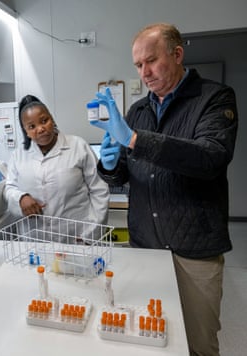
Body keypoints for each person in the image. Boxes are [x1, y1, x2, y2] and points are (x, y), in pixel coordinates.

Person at [88, 23, 238, 356]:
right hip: (146, 247)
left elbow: (210, 158)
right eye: (138, 65)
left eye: (152, 61)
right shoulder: (138, 111)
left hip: (194, 250)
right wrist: (110, 165)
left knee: (199, 343)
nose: (145, 72)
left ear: (177, 53)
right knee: (150, 338)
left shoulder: (214, 98)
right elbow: (122, 177)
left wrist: (135, 139)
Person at [4, 94, 109, 242]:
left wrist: (90, 235)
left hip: (77, 239)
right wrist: (20, 198)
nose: (40, 129)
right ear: (25, 131)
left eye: (44, 121)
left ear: (52, 119)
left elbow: (99, 190)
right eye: (32, 126)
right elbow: (9, 188)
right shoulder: (18, 156)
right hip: (35, 240)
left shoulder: (78, 146)